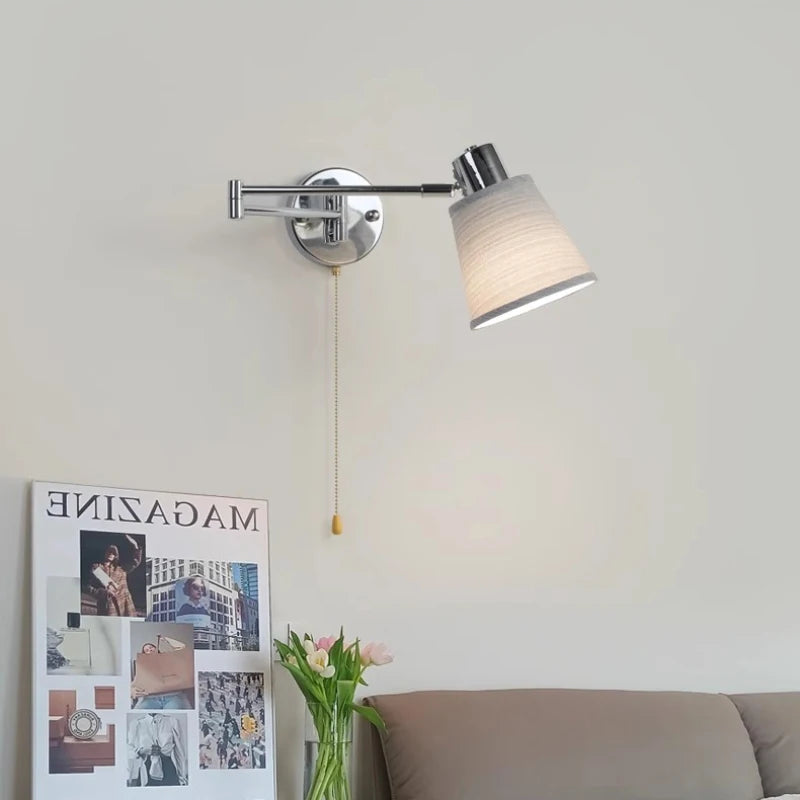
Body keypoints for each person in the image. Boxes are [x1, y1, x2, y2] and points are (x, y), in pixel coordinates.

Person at [128, 713, 187, 787]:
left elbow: (180, 752)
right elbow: (129, 750)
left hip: (168, 768)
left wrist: (182, 777)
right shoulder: (137, 723)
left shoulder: (172, 722)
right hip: (145, 768)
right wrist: (142, 751)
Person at [88, 537, 142, 617]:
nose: (111, 554)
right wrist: (104, 592)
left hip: (125, 605)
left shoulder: (121, 569)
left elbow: (135, 562)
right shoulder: (97, 569)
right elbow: (89, 588)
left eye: (113, 553)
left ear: (115, 556)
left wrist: (136, 546)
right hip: (108, 607)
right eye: (109, 551)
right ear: (105, 552)